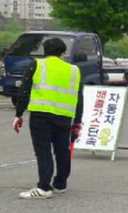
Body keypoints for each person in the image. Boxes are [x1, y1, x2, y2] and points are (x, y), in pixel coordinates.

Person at [12, 38, 84, 199]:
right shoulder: (74, 70)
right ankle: (60, 184)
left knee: (43, 151)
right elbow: (79, 98)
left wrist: (19, 114)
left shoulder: (37, 64)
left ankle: (44, 187)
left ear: (45, 52)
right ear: (63, 53)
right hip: (65, 116)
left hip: (41, 115)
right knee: (62, 150)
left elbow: (24, 90)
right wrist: (77, 121)